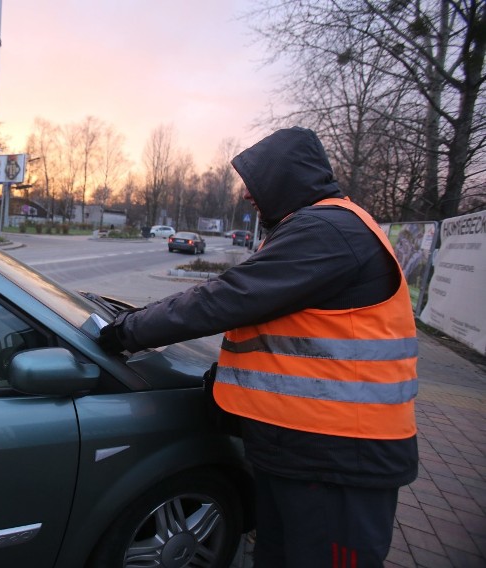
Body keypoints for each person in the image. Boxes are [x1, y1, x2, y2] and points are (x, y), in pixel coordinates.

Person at [98, 126, 418, 567]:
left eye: (257, 182)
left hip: (338, 455)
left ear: (287, 179)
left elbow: (226, 298)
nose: (249, 195)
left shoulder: (328, 229)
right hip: (307, 448)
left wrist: (125, 331)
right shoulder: (319, 227)